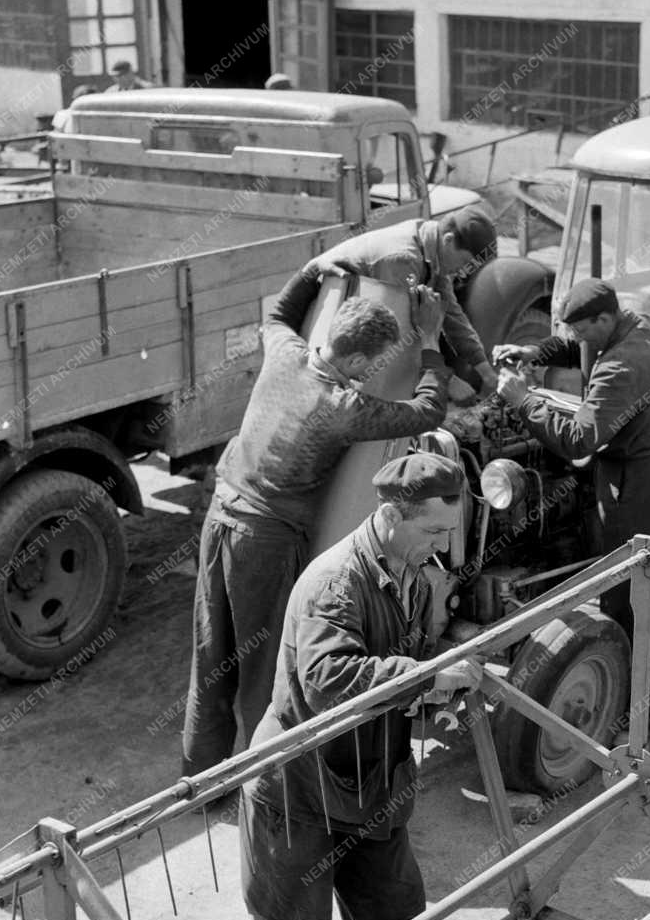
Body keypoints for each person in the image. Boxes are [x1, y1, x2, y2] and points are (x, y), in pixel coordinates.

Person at [240, 452, 497, 920]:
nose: (443, 546)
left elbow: (405, 662)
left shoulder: (413, 575)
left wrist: (448, 676)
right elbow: (330, 681)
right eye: (432, 531)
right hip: (300, 789)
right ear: (390, 515)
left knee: (395, 914)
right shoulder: (335, 584)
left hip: (373, 778)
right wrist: (426, 677)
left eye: (449, 532)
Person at [181, 269, 452, 778]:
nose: (374, 374)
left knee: (211, 657)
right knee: (266, 667)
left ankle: (200, 780)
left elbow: (277, 315)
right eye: (376, 365)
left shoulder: (285, 354)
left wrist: (313, 272)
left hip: (219, 518)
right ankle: (269, 784)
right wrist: (431, 339)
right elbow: (428, 411)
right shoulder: (342, 407)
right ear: (357, 362)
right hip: (264, 540)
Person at [494, 277, 650, 722]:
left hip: (640, 484)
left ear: (604, 319)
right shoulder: (641, 325)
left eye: (583, 329)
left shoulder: (622, 365)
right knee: (627, 588)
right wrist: (536, 353)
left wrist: (523, 401)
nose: (578, 339)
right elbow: (578, 348)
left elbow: (579, 440)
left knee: (629, 596)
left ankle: (642, 703)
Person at [308, 206, 500, 401]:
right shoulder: (403, 260)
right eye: (465, 261)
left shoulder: (434, 247)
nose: (462, 271)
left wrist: (485, 370)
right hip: (322, 328)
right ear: (449, 240)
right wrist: (447, 379)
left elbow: (452, 316)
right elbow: (397, 333)